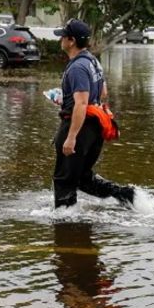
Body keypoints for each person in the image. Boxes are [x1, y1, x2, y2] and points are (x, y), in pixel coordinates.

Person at [52, 19, 135, 209]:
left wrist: (71, 137)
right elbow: (103, 92)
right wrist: (67, 98)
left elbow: (81, 103)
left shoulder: (77, 68)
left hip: (79, 128)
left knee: (64, 180)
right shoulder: (92, 61)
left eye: (63, 36)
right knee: (82, 177)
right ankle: (126, 195)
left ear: (71, 41)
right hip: (94, 130)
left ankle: (66, 225)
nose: (61, 40)